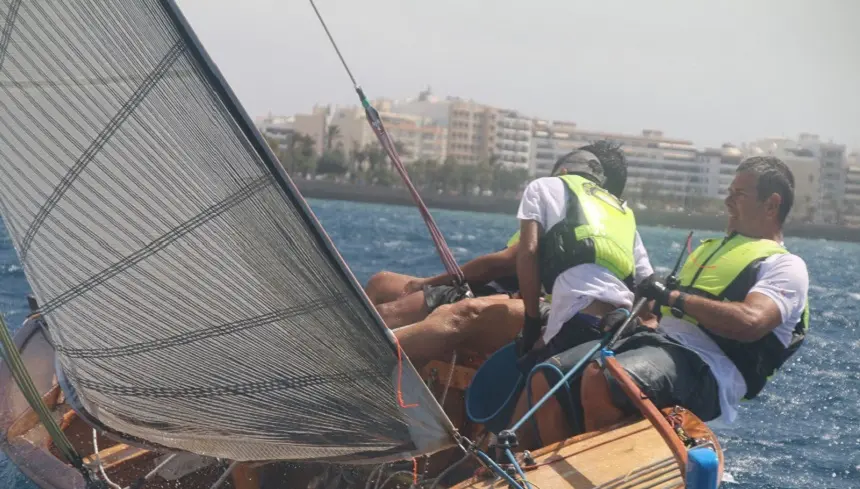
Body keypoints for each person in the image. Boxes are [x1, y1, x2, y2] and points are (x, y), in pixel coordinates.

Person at [513, 155, 810, 448]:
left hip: (709, 368)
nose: (728, 201)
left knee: (602, 377)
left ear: (772, 204)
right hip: (661, 344)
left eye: (739, 194)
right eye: (729, 192)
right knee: (547, 376)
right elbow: (660, 312)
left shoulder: (786, 266)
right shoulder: (710, 252)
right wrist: (630, 316)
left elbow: (751, 322)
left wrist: (673, 297)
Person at [393, 142, 654, 369]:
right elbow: (648, 292)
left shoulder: (551, 191)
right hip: (601, 320)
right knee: (385, 282)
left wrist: (530, 321)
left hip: (566, 315)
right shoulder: (623, 214)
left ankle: (362, 358)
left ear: (564, 172)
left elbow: (519, 257)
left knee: (463, 312)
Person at [366, 140, 632, 329]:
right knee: (381, 282)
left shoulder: (573, 209)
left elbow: (505, 262)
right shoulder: (615, 219)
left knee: (390, 314)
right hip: (508, 293)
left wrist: (429, 282)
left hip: (510, 297)